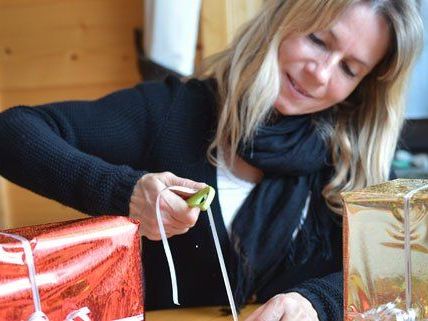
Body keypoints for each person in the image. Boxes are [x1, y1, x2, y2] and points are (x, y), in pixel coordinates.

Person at [0, 0, 423, 320]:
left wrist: (315, 304)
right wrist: (124, 191)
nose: (320, 74)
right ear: (280, 22)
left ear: (364, 87)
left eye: (350, 68)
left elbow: (397, 277)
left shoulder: (356, 158)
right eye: (317, 40)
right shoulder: (171, 111)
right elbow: (12, 131)